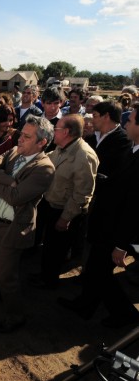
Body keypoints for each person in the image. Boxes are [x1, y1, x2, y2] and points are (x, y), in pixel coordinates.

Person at [58, 103, 139, 328]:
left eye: (131, 121)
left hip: (114, 229)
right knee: (95, 269)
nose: (126, 123)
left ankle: (126, 315)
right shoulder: (133, 149)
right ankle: (86, 304)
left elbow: (134, 206)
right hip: (105, 222)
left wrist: (121, 245)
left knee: (99, 272)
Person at [0, 115, 55, 333]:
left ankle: (15, 316)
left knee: (7, 277)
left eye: (26, 137)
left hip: (13, 228)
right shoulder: (14, 152)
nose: (19, 140)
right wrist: (8, 180)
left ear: (41, 143)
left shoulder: (45, 168)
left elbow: (17, 197)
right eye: (21, 134)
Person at [29, 114, 98, 289]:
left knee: (56, 250)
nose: (54, 131)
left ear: (66, 132)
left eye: (56, 129)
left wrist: (66, 218)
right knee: (49, 247)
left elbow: (82, 194)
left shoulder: (84, 156)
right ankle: (45, 274)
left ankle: (49, 281)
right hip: (50, 205)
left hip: (64, 212)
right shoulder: (61, 148)